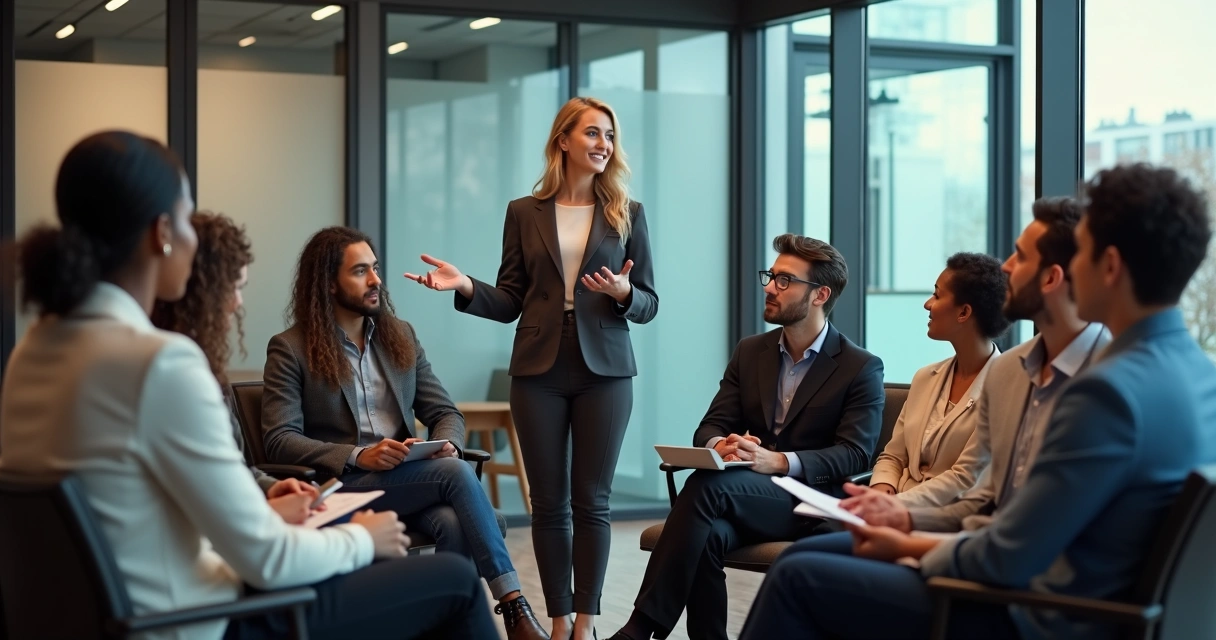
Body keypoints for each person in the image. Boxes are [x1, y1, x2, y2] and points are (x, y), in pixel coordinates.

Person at [0, 130, 496, 639]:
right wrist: (362, 539)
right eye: (186, 217)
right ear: (162, 233)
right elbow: (267, 559)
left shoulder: (32, 353)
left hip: (111, 619)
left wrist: (266, 501)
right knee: (454, 580)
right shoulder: (161, 364)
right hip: (197, 621)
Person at [738, 164, 1216, 640]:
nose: (1070, 269)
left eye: (1082, 252)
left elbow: (1009, 554)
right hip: (1054, 589)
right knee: (807, 559)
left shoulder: (1106, 392)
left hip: (1035, 612)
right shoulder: (1194, 374)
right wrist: (904, 517)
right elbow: (996, 508)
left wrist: (905, 545)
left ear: (1108, 266)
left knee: (799, 576)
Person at [401, 96, 659, 640]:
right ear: (563, 140)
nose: (604, 144)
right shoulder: (524, 212)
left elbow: (649, 303)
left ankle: (586, 624)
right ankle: (559, 622)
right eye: (592, 133)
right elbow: (511, 299)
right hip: (538, 368)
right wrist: (465, 285)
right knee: (548, 503)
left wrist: (623, 293)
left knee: (593, 501)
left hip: (607, 370)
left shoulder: (628, 213)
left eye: (610, 135)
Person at [261, 226, 548, 640]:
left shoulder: (401, 336)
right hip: (344, 485)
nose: (376, 280)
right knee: (456, 476)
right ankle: (514, 606)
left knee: (453, 519)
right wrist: (359, 455)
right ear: (328, 283)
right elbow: (280, 439)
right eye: (360, 271)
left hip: (406, 480)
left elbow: (445, 412)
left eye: (375, 268)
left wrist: (447, 444)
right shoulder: (290, 348)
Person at [608, 234, 884, 640]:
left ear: (820, 294)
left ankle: (639, 628)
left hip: (809, 502)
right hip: (747, 497)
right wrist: (719, 446)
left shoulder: (860, 366)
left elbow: (856, 453)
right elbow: (710, 426)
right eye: (770, 276)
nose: (770, 287)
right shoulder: (751, 351)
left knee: (705, 487)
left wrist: (780, 461)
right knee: (706, 533)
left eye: (785, 280)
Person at [150, 212, 316, 525]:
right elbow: (209, 498)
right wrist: (359, 538)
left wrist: (270, 487)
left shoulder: (201, 367)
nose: (238, 302)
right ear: (204, 293)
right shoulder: (174, 373)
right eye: (234, 288)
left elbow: (233, 469)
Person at [868, 252, 1009, 508]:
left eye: (936, 295)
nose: (927, 304)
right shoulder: (925, 377)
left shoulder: (1006, 389)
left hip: (944, 517)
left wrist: (896, 507)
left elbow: (964, 479)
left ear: (964, 312)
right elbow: (893, 456)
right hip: (891, 510)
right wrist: (881, 489)